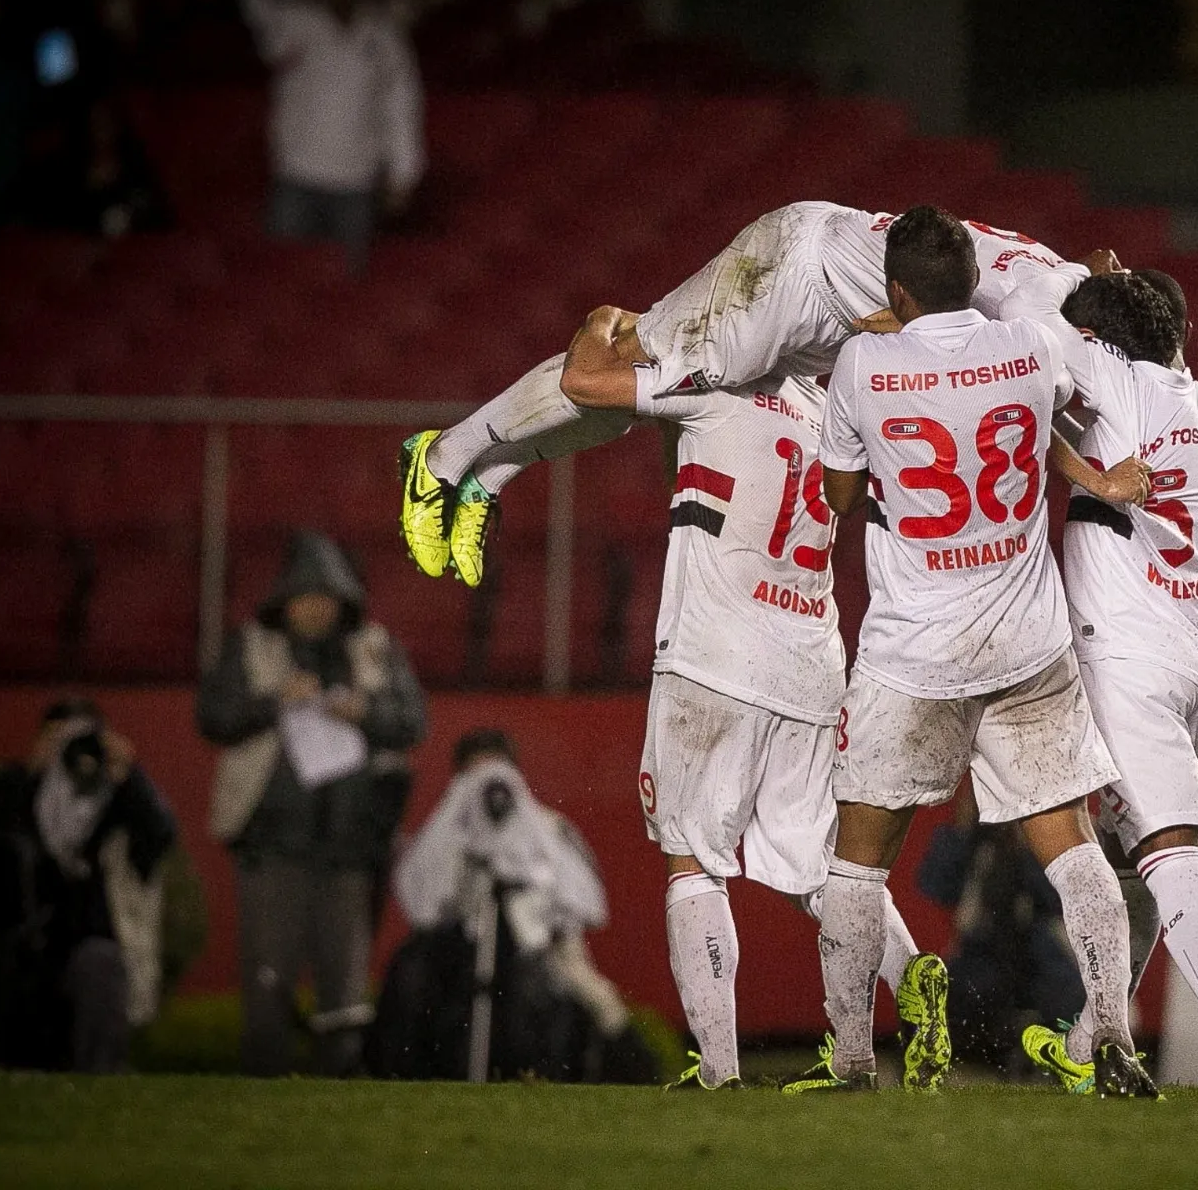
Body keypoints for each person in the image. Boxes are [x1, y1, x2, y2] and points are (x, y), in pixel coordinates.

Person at [781, 205, 1158, 1097]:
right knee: (1072, 846)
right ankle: (1112, 1037)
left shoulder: (864, 362)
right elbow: (1058, 371)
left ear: (896, 289)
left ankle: (850, 1060)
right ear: (973, 280)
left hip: (913, 652)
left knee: (856, 860)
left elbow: (839, 496)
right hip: (1028, 643)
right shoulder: (1029, 345)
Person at [554, 303, 947, 1091]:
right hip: (810, 658)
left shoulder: (715, 382)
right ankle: (911, 975)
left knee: (693, 859)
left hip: (714, 657)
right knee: (822, 867)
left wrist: (603, 320)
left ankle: (719, 1071)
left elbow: (582, 382)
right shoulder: (837, 410)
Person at [398, 202, 1070, 590]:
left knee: (632, 405)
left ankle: (488, 478)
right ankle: (441, 459)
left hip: (836, 307)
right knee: (622, 369)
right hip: (793, 278)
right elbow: (996, 355)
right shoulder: (1037, 322)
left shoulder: (1062, 278)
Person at [1003, 264, 1198, 1102]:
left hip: (1128, 657)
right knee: (1130, 858)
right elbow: (1148, 346)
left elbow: (1022, 323)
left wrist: (1071, 284)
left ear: (1099, 343)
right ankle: (1092, 1038)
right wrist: (1121, 302)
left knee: (1167, 850)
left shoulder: (1112, 382)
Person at [196, 529, 426, 1076]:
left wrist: (364, 711)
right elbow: (214, 717)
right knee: (268, 974)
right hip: (271, 844)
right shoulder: (252, 646)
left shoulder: (374, 648)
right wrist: (274, 701)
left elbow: (412, 722)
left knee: (344, 984)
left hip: (351, 847)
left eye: (327, 599)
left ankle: (338, 1079)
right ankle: (264, 1074)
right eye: (306, 598)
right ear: (284, 601)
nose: (317, 608)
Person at [374, 729, 654, 1083]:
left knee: (590, 994)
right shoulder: (447, 830)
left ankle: (624, 1072)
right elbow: (423, 901)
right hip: (462, 946)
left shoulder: (549, 825)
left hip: (542, 944)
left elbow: (585, 900)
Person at [0, 698, 179, 1072]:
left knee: (100, 963)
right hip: (17, 944)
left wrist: (130, 774)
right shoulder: (17, 790)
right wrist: (35, 775)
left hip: (83, 944)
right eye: (60, 738)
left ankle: (101, 1083)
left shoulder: (116, 801)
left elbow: (160, 835)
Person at [233, 0, 423, 272]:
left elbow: (400, 105)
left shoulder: (384, 37)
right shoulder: (297, 23)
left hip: (356, 182)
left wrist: (404, 172)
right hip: (297, 176)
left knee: (349, 280)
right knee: (281, 274)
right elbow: (263, 18)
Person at [915, 782, 1085, 1070]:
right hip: (980, 952)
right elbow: (934, 886)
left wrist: (1030, 844)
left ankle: (1061, 1060)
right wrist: (961, 830)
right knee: (940, 995)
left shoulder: (1045, 839)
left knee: (1070, 998)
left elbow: (1059, 900)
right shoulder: (976, 843)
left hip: (1039, 949)